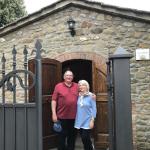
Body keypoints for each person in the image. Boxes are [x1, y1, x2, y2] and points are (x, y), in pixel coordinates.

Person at [51, 70, 78, 150]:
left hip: (74, 118)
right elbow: (54, 100)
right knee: (61, 138)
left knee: (72, 138)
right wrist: (54, 113)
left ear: (73, 77)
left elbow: (85, 93)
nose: (69, 77)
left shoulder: (77, 86)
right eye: (67, 75)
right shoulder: (58, 86)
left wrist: (91, 95)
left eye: (70, 75)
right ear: (64, 77)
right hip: (61, 117)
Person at [74, 80, 97, 150]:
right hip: (79, 120)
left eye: (83, 85)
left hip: (88, 120)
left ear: (87, 86)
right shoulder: (77, 95)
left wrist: (92, 120)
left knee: (85, 137)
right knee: (83, 139)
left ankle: (90, 147)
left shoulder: (91, 96)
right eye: (80, 85)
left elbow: (94, 108)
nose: (81, 86)